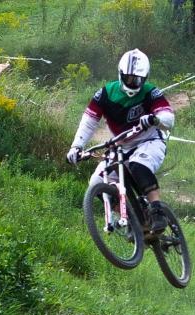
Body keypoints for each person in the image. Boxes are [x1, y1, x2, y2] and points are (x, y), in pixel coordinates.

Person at [66, 49, 176, 232]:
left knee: (138, 165)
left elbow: (168, 116)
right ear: (120, 74)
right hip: (121, 146)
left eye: (138, 79)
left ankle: (157, 211)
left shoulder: (151, 92)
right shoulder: (105, 93)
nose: (133, 83)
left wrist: (155, 119)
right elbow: (89, 121)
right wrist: (76, 146)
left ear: (145, 78)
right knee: (96, 183)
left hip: (149, 141)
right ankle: (133, 219)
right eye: (129, 78)